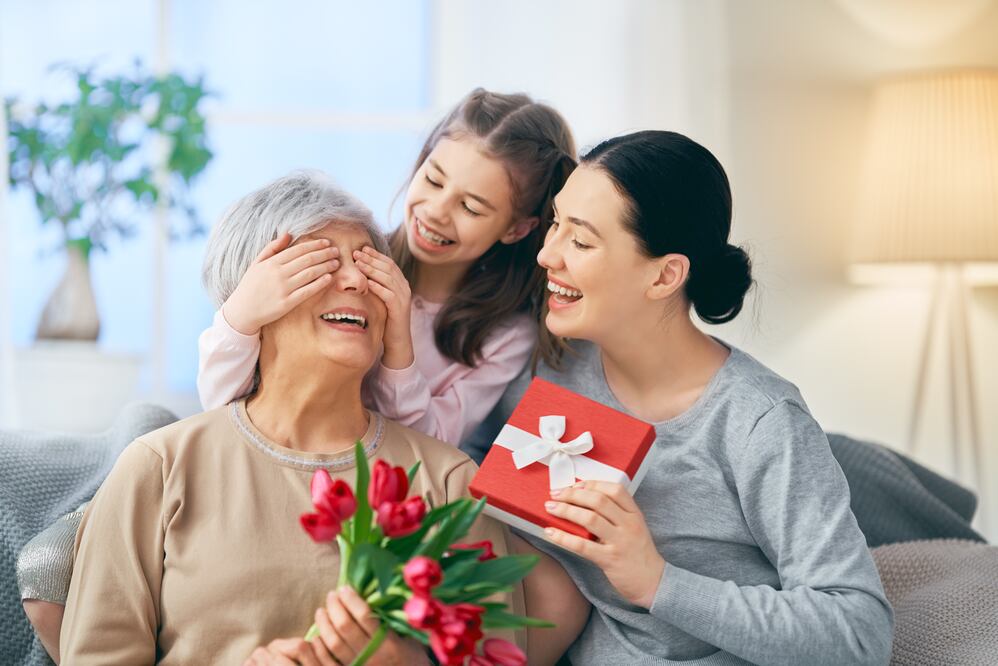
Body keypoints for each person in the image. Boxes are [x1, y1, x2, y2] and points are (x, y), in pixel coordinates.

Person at [55, 171, 582, 665]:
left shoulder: (449, 482)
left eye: (370, 264)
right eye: (323, 264)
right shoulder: (158, 467)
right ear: (252, 296)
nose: (354, 280)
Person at [465, 130, 895, 665]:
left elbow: (860, 634)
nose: (548, 254)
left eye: (580, 240)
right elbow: (459, 468)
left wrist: (656, 580)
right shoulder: (549, 364)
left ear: (666, 274)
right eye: (555, 223)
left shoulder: (758, 422)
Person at [197, 88, 577, 448]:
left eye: (471, 208)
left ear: (516, 229)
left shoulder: (504, 337)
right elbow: (225, 407)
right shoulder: (348, 266)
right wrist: (241, 315)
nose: (436, 211)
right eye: (432, 180)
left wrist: (398, 347)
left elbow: (430, 450)